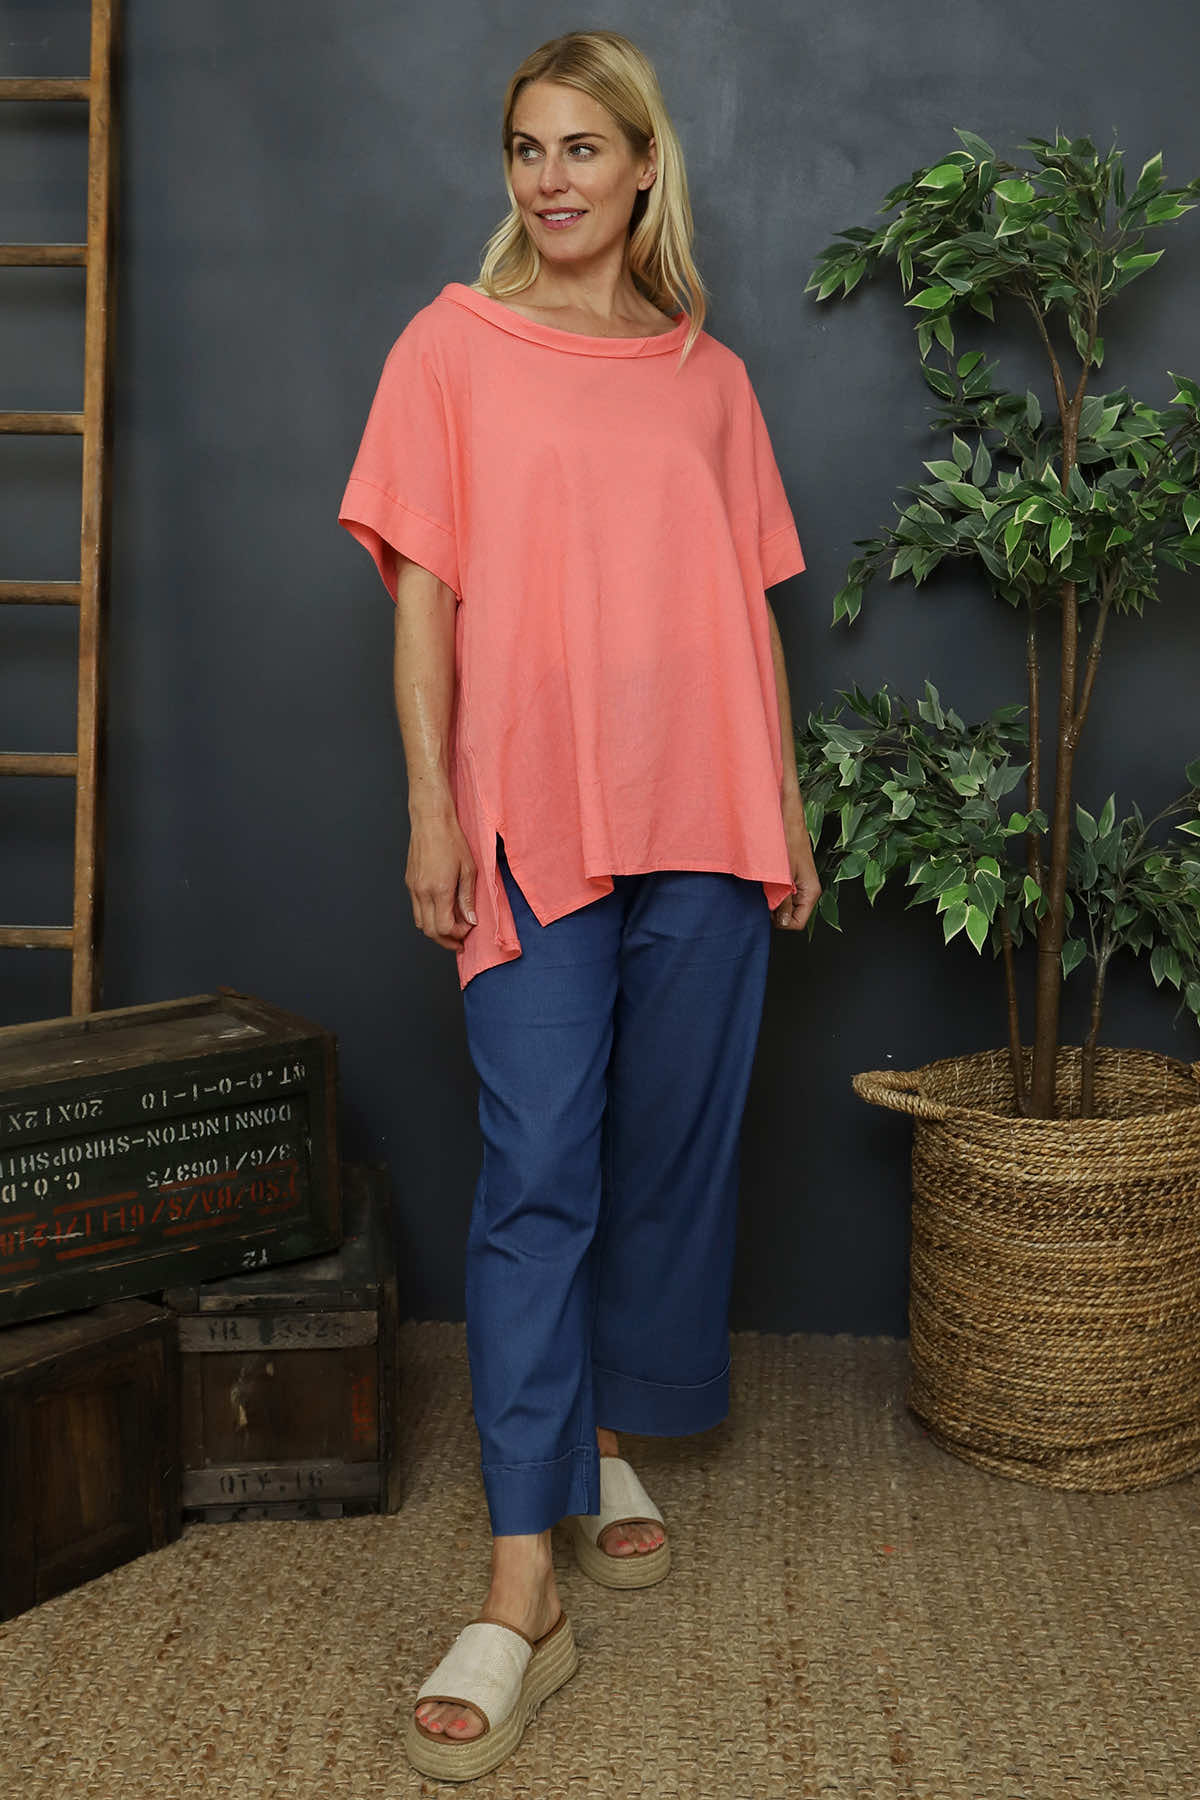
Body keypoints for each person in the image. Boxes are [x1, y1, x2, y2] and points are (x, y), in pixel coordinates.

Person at [337, 27, 820, 1784]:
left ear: (642, 167)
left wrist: (785, 807)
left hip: (707, 811)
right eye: (528, 149)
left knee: (668, 1148)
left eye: (584, 149)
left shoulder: (711, 380)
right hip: (532, 818)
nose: (552, 180)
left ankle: (605, 1428)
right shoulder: (449, 349)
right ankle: (518, 1585)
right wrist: (429, 802)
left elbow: (748, 607)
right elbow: (424, 596)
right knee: (540, 1167)